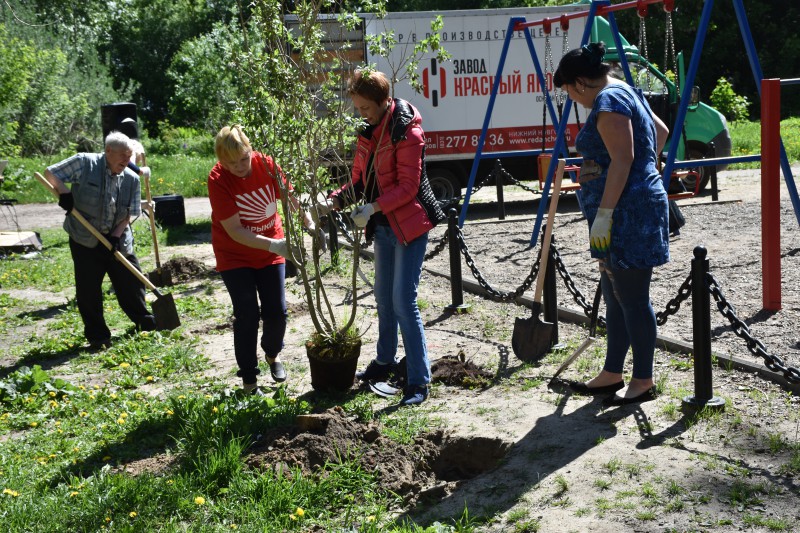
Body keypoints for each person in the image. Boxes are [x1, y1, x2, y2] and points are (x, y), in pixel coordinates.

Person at [553, 43, 670, 406]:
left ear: (579, 83)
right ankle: (612, 373)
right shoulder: (625, 91)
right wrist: (646, 172)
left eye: (570, 92)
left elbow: (623, 158)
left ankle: (643, 380)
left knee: (633, 298)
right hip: (627, 208)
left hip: (626, 215)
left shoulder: (607, 101)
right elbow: (661, 131)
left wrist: (605, 212)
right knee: (616, 297)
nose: (573, 99)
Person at [321, 69, 445, 406]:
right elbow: (360, 181)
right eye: (358, 108)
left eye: (365, 108)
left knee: (404, 301)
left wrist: (373, 207)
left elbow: (408, 187)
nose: (362, 114)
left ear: (383, 100)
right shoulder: (368, 131)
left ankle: (419, 381)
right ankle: (384, 362)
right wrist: (334, 199)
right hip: (383, 226)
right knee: (383, 298)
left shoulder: (408, 132)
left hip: (409, 225)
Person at [208, 125, 313, 394]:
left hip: (270, 251)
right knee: (247, 314)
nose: (240, 166)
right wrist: (276, 245)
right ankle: (249, 380)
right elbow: (235, 230)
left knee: (277, 311)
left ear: (250, 151)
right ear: (221, 160)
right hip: (234, 254)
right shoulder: (218, 179)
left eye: (243, 159)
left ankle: (273, 354)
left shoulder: (265, 164)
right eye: (231, 162)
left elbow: (290, 197)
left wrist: (308, 222)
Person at [45, 132, 157, 350]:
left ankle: (144, 320)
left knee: (131, 281)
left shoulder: (131, 178)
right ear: (107, 151)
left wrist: (115, 236)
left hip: (117, 237)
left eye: (129, 156)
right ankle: (98, 336)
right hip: (84, 237)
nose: (126, 161)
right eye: (122, 156)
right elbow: (50, 173)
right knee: (88, 290)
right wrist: (64, 192)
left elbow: (129, 214)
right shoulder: (84, 163)